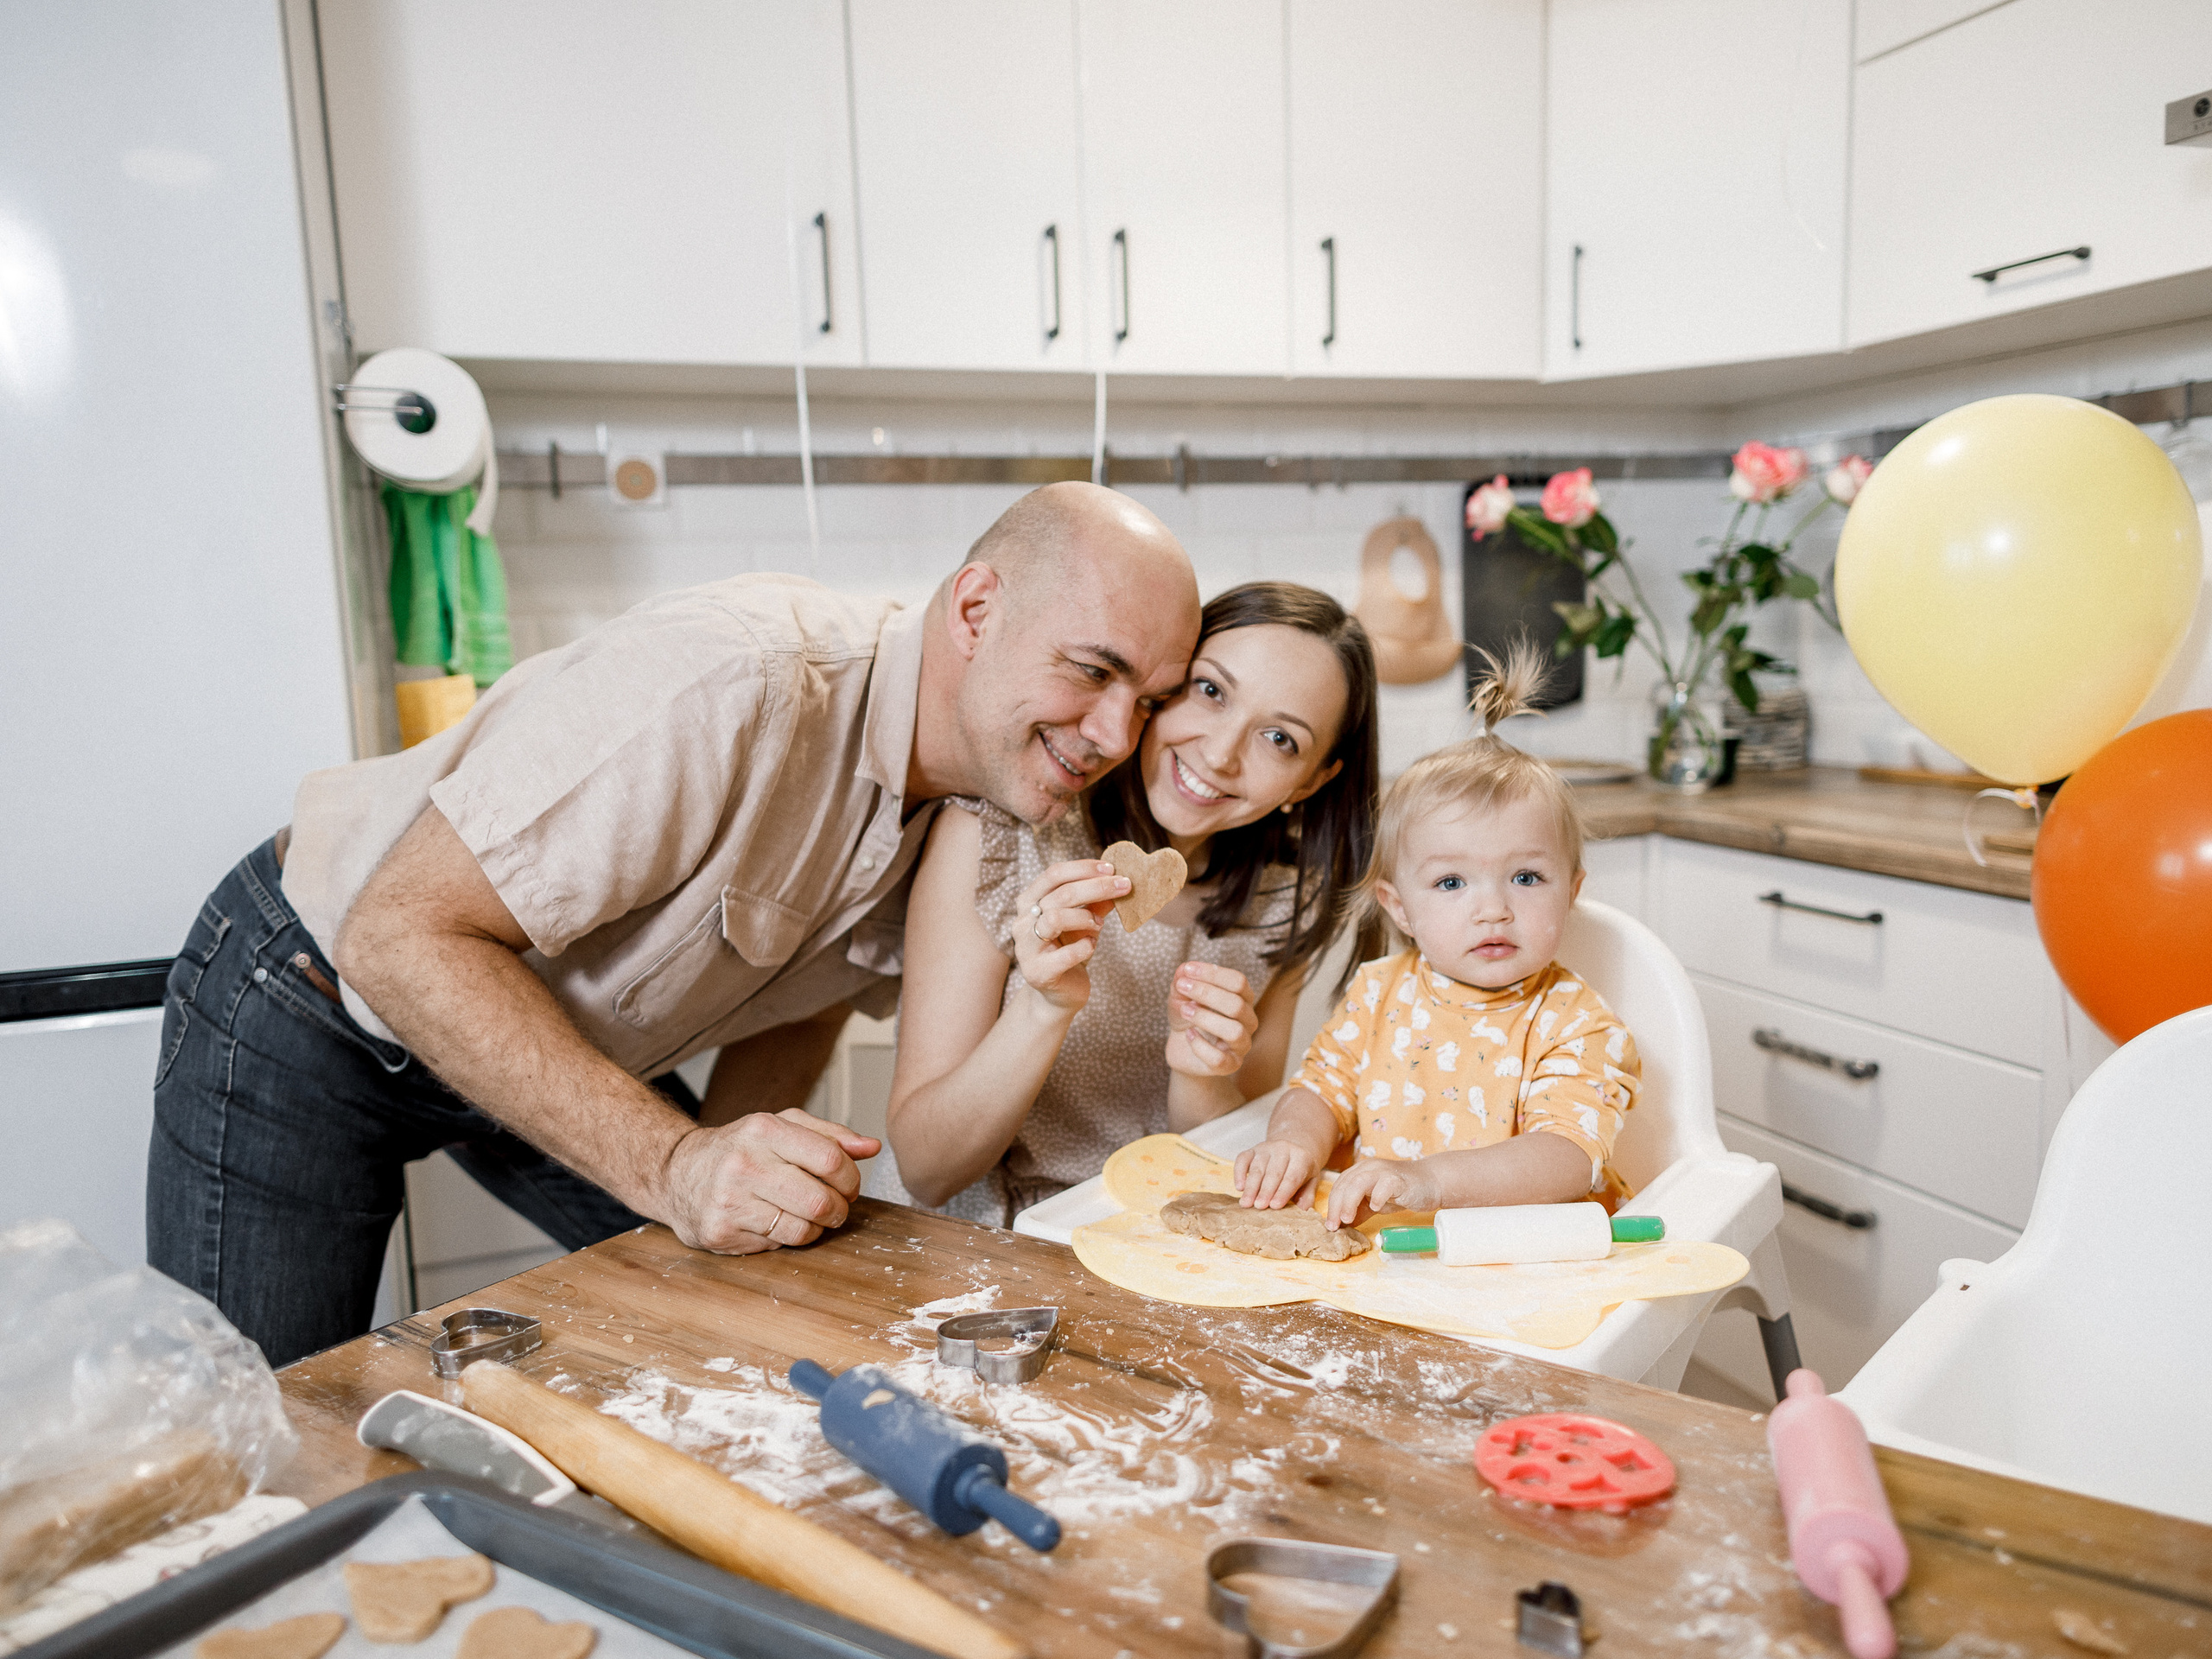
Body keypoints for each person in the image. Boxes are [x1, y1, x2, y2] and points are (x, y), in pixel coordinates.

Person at [147, 482, 1201, 1366]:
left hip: (552, 1034)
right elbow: (401, 934)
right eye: (1093, 668)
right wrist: (676, 1171)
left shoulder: (980, 797)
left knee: (741, 1317)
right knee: (254, 1431)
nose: (1117, 734)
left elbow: (800, 997)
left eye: (1150, 698)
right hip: (313, 995)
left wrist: (735, 1185)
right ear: (974, 610)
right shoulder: (737, 680)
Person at [887, 582, 1380, 1223]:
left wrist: (1203, 1077)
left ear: (1312, 780)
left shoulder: (1285, 901)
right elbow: (926, 1172)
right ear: (1164, 681)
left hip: (1157, 1248)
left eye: (1279, 739)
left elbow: (1229, 1169)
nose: (1220, 753)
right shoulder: (1001, 834)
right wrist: (1042, 1008)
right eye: (1211, 690)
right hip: (989, 1246)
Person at [1234, 644, 1643, 1230]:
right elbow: (1319, 1090)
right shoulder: (1377, 995)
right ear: (1399, 908)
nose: (1494, 910)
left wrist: (1429, 1181)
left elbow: (1566, 1158)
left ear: (1571, 891)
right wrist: (1294, 1144)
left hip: (1530, 1258)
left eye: (1526, 877)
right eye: (1451, 882)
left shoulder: (1577, 1025)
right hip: (1398, 1252)